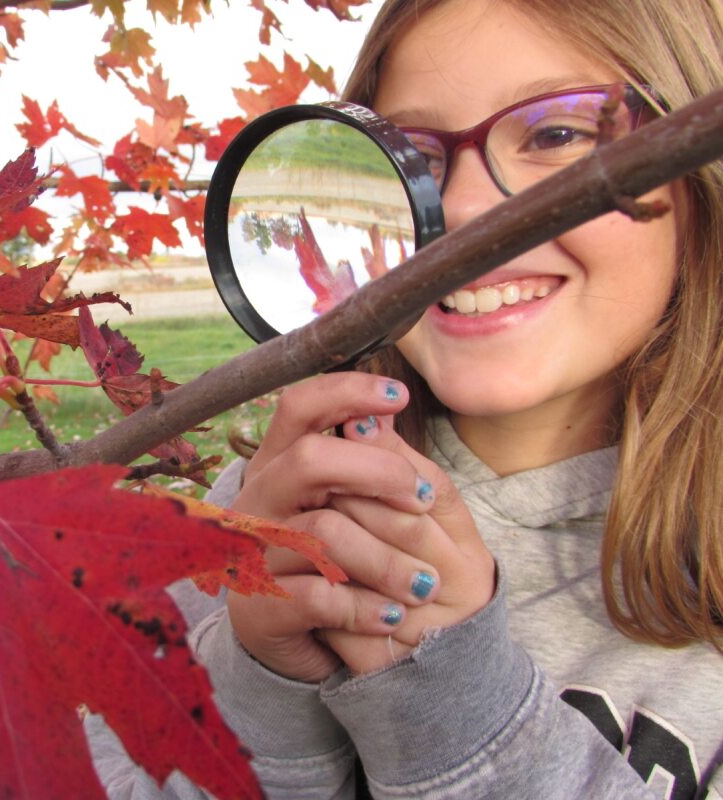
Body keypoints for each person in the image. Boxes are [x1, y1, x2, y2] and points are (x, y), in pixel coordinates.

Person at [87, 0, 723, 796]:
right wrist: (253, 682)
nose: (456, 210)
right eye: (413, 158)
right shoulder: (271, 513)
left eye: (557, 135)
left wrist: (464, 724)